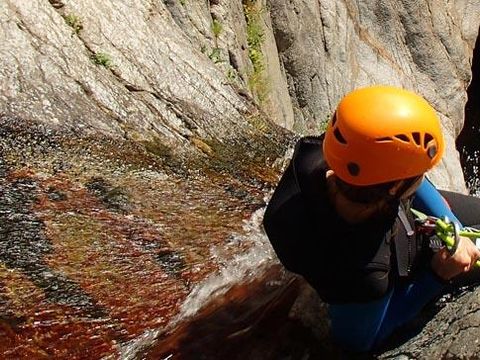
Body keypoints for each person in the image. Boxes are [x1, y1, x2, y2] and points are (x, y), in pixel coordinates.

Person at [263, 85, 480, 353]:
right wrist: (438, 275)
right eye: (419, 174)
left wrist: (452, 225)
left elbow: (390, 169)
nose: (423, 178)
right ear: (394, 188)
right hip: (410, 261)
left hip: (392, 216)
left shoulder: (319, 156)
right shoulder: (364, 272)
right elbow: (359, 342)